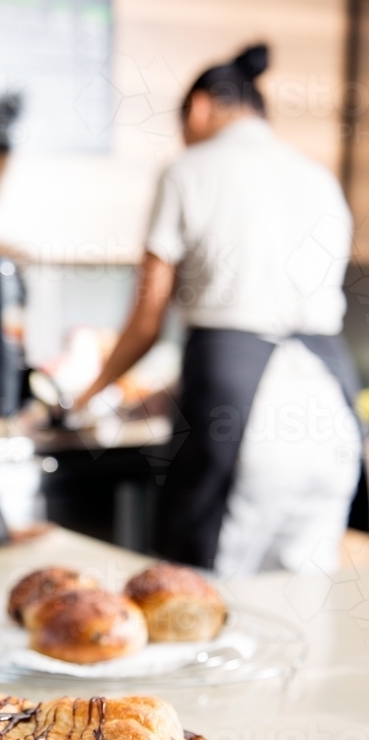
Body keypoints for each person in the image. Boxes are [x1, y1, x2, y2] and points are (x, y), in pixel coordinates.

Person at [75, 43, 364, 577]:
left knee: (201, 599)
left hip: (240, 413)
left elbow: (146, 321)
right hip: (331, 415)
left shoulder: (189, 170)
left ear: (202, 107)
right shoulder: (319, 177)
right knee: (301, 609)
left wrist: (86, 397)